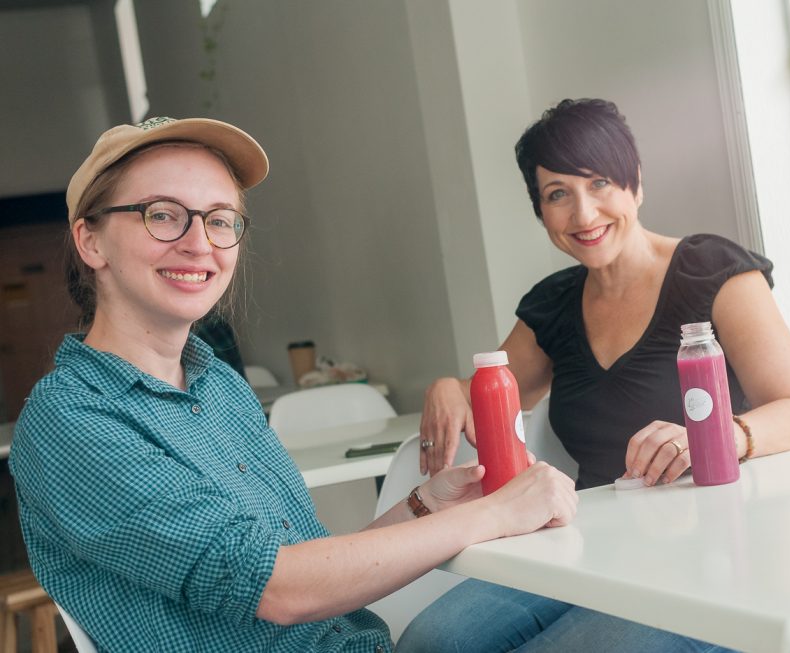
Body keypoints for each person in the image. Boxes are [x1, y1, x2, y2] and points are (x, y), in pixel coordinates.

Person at [9, 117, 577, 653]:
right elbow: (279, 588)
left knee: (616, 610)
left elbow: (307, 563)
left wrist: (426, 504)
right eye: (162, 214)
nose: (199, 242)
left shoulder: (218, 387)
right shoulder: (71, 420)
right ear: (90, 241)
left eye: (220, 218)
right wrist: (495, 516)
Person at [404, 99, 790, 651]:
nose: (583, 215)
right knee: (431, 641)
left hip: (715, 548)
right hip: (591, 536)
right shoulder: (553, 306)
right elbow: (494, 390)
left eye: (600, 183)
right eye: (558, 194)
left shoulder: (713, 273)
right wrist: (445, 387)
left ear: (636, 183)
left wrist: (715, 435)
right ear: (541, 211)